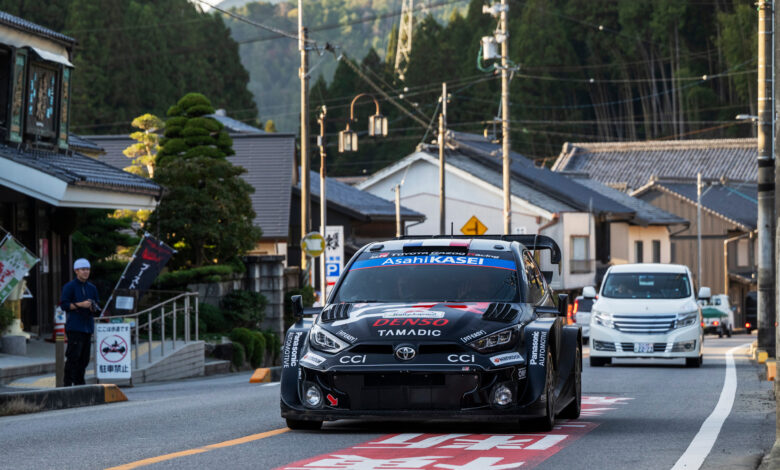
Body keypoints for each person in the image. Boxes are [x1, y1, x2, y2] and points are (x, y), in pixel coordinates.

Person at [59, 258, 100, 387]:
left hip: (88, 326)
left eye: (87, 269)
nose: (86, 272)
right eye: (83, 270)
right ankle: (67, 384)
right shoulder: (69, 286)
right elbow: (64, 305)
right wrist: (80, 305)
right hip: (75, 326)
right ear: (76, 271)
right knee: (73, 357)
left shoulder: (92, 288)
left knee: (84, 359)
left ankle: (79, 383)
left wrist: (94, 307)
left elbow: (97, 306)